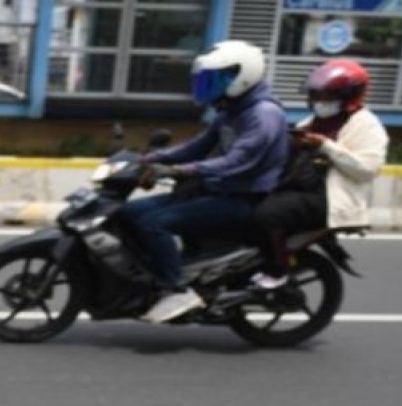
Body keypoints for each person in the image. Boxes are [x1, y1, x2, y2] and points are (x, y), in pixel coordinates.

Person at [117, 40, 289, 324]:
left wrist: (180, 172)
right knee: (128, 212)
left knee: (152, 223)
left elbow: (237, 161)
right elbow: (198, 145)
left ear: (242, 75)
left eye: (218, 79)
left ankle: (176, 288)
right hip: (217, 190)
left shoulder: (263, 115)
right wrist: (149, 159)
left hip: (242, 200)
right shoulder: (230, 111)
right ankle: (152, 275)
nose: (210, 86)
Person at [248, 59, 389, 289]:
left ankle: (277, 271)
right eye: (315, 96)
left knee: (267, 214)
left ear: (348, 97)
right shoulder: (313, 121)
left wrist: (325, 145)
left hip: (328, 197)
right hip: (300, 187)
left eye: (326, 97)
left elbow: (367, 170)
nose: (319, 102)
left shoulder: (367, 126)